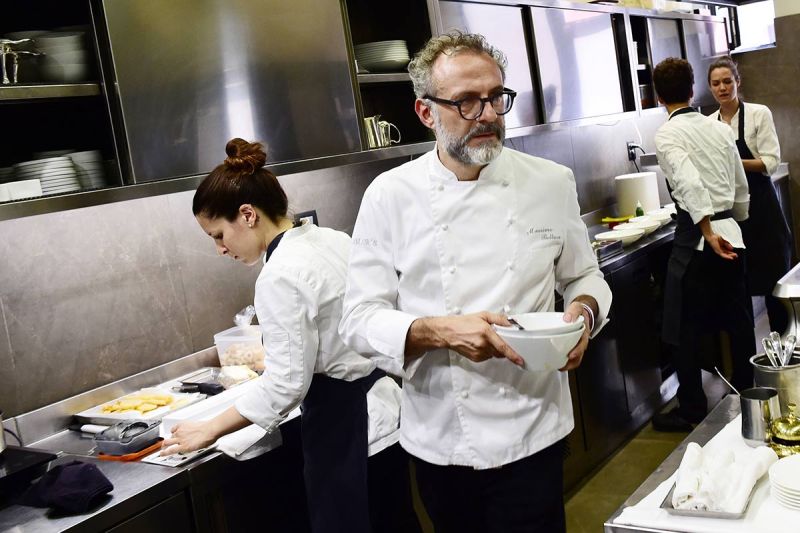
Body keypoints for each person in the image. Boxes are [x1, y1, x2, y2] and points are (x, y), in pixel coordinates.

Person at [339, 32, 612, 533]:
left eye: (495, 97)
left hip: (535, 430)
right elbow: (358, 320)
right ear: (425, 112)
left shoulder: (549, 181)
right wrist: (442, 331)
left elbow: (583, 274)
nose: (487, 114)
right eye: (465, 101)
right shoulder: (389, 196)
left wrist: (585, 315)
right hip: (442, 440)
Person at [162, 138, 420, 533]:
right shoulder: (330, 238)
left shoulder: (279, 275)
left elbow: (286, 385)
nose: (220, 249)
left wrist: (209, 427)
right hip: (384, 413)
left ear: (247, 214)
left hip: (347, 429)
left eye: (218, 234)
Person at [650, 58, 755, 432]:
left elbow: (690, 183)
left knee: (684, 327)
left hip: (699, 240)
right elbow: (740, 185)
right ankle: (749, 393)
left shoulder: (667, 134)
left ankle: (692, 407)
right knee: (739, 320)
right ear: (693, 89)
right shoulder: (719, 129)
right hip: (732, 234)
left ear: (659, 95)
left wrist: (709, 232)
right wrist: (734, 223)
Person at [708, 57, 792, 335]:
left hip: (763, 209)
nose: (722, 88)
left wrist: (733, 162)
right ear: (710, 88)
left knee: (774, 284)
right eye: (716, 83)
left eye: (727, 81)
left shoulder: (759, 113)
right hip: (730, 213)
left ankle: (786, 354)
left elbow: (770, 162)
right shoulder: (709, 124)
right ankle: (747, 364)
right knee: (738, 288)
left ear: (737, 82)